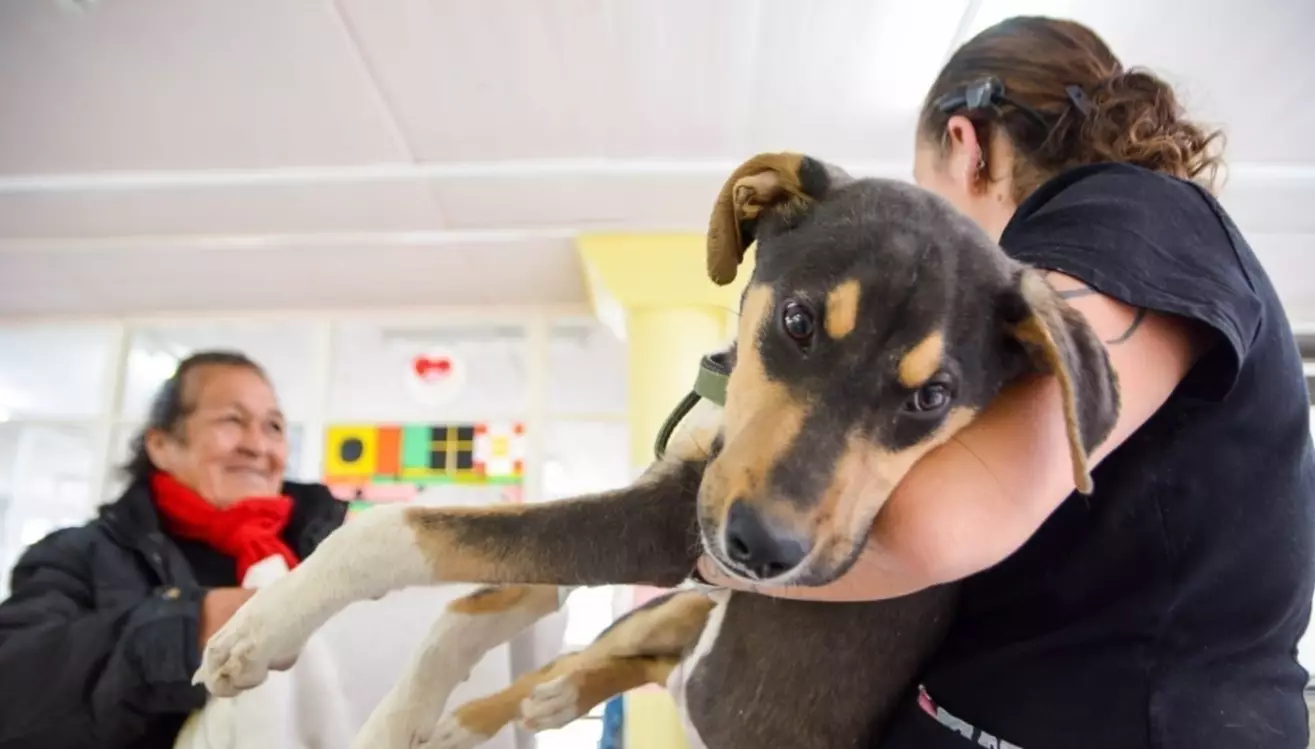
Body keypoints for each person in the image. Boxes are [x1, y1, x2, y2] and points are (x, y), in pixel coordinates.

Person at [698, 16, 1314, 749]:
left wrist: (691, 543)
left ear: (967, 146)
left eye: (926, 189)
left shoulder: (1130, 214)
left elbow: (931, 526)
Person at [0, 351, 347, 748]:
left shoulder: (327, 551)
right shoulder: (80, 556)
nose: (257, 445)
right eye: (232, 420)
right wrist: (190, 629)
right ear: (162, 444)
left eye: (274, 426)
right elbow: (12, 690)